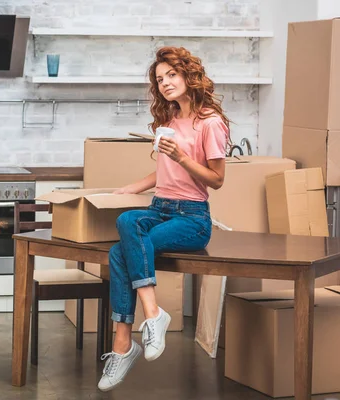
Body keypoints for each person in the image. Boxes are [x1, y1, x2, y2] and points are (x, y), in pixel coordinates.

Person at [98, 46, 231, 392]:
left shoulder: (210, 123)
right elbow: (163, 171)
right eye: (160, 79)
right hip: (160, 208)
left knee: (119, 253)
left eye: (172, 74)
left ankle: (124, 344)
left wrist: (184, 157)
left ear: (189, 75)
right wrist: (129, 187)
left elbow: (216, 179)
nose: (166, 83)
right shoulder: (169, 122)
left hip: (192, 218)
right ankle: (151, 317)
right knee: (128, 220)